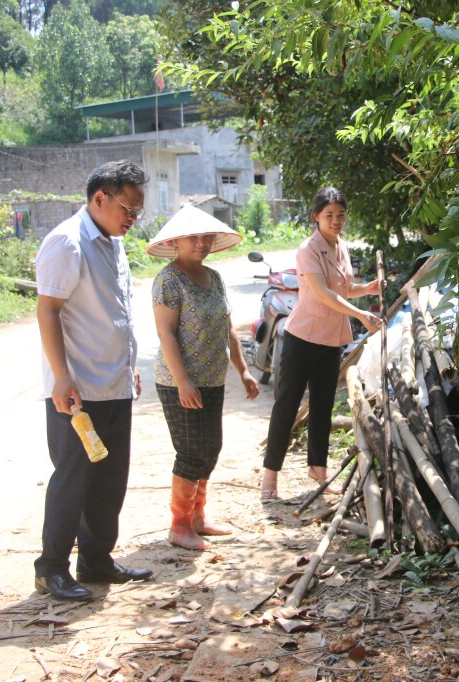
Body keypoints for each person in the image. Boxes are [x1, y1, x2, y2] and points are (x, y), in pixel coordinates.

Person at [33, 160, 153, 601]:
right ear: (100, 198)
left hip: (114, 384)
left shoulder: (112, 242)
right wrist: (61, 379)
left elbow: (112, 310)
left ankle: (96, 560)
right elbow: (48, 310)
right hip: (78, 391)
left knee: (109, 478)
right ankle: (50, 569)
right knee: (74, 477)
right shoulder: (67, 242)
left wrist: (128, 364)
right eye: (128, 208)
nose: (133, 218)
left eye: (138, 211)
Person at [147, 204, 260, 550]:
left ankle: (198, 517)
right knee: (190, 451)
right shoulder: (168, 280)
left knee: (211, 448)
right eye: (192, 237)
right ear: (176, 242)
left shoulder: (215, 278)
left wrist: (243, 370)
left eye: (206, 236)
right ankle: (179, 525)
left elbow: (228, 328)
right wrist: (182, 381)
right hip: (179, 382)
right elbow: (166, 334)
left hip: (211, 378)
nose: (201, 242)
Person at [261, 187, 382, 501]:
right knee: (286, 406)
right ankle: (270, 477)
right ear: (316, 216)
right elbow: (323, 294)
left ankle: (318, 470)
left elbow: (342, 287)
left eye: (341, 215)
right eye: (329, 215)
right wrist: (361, 314)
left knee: (323, 407)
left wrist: (366, 289)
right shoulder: (308, 249)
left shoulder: (341, 245)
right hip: (302, 338)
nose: (336, 220)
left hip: (330, 339)